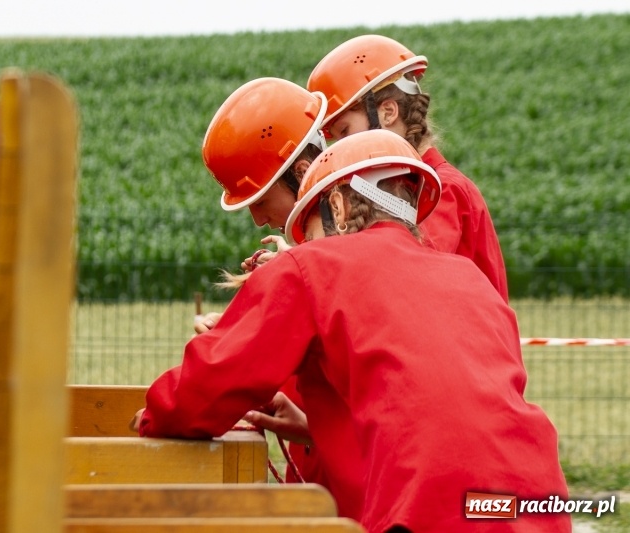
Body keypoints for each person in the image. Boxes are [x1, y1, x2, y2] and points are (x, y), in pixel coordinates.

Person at [134, 130, 571, 533]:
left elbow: (211, 383)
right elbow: (445, 401)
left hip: (430, 509)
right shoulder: (468, 277)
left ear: (338, 207)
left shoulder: (312, 267)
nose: (307, 241)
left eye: (308, 225)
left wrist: (156, 416)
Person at [307, 34, 510, 302]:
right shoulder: (406, 190)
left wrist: (309, 270)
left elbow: (405, 277)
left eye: (345, 131)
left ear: (388, 113)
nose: (342, 148)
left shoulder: (439, 190)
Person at [198, 76, 329, 485]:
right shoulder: (318, 259)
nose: (256, 218)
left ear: (304, 173)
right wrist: (241, 331)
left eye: (261, 200)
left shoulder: (346, 262)